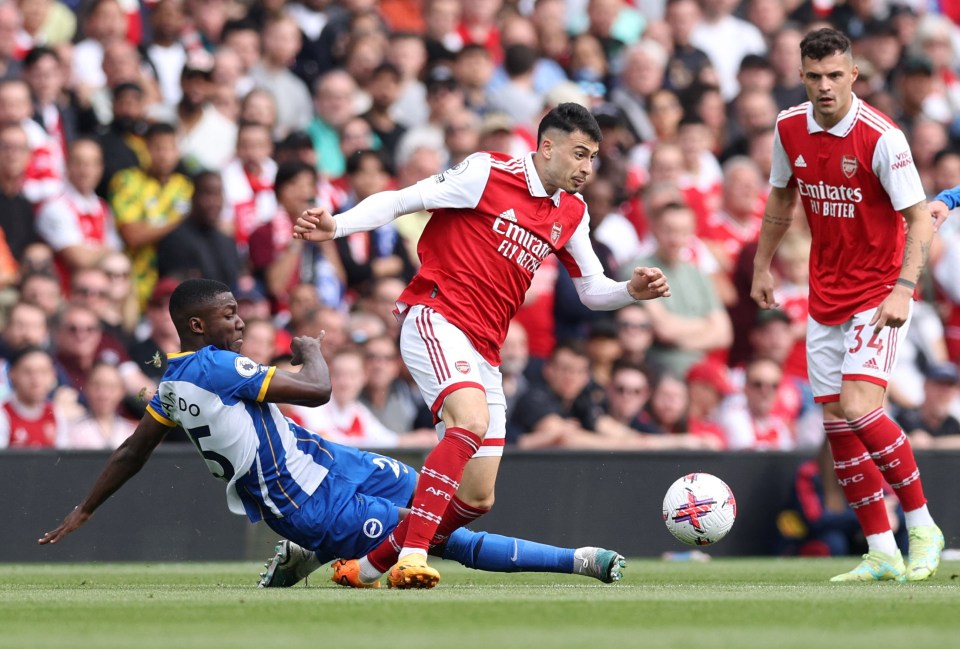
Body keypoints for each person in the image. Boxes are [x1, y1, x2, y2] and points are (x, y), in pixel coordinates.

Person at [38, 279, 627, 590]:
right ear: (198, 326)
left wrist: (85, 508)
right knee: (436, 541)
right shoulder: (214, 366)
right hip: (309, 503)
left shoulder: (172, 383)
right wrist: (312, 353)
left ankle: (324, 558)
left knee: (436, 503)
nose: (238, 320)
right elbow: (318, 391)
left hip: (331, 463)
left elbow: (133, 449)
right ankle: (579, 562)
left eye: (237, 310)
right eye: (227, 313)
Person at [293, 102, 671, 588]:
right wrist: (339, 226)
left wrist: (628, 293)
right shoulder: (487, 172)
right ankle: (410, 557)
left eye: (593, 158)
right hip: (437, 315)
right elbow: (403, 199)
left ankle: (366, 567)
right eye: (580, 154)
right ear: (547, 146)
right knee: (469, 422)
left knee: (476, 498)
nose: (587, 168)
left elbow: (592, 288)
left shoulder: (572, 213)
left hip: (485, 348)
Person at [750, 28, 943, 582]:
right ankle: (881, 549)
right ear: (802, 76)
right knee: (836, 423)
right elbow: (782, 198)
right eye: (814, 77)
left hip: (880, 290)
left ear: (853, 75)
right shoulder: (789, 127)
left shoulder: (884, 138)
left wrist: (905, 289)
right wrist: (763, 264)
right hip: (824, 291)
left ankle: (923, 525)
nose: (825, 86)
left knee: (860, 405)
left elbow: (917, 220)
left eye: (835, 75)